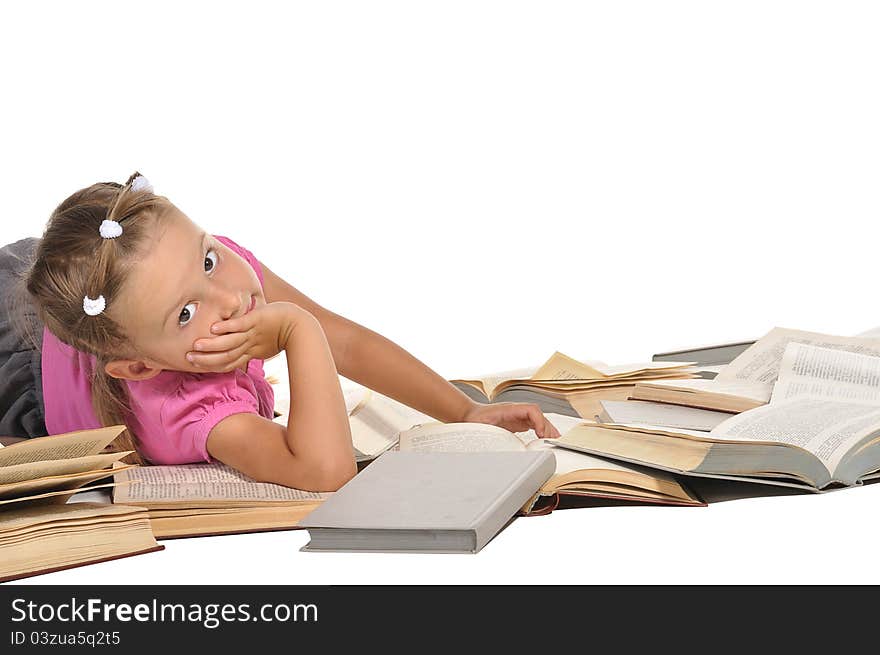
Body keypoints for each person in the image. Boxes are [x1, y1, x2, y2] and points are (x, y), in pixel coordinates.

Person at [0, 172, 560, 492]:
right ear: (141, 366)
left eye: (211, 259)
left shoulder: (200, 279)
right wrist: (296, 329)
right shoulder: (189, 411)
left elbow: (345, 340)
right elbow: (325, 472)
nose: (228, 299)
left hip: (67, 297)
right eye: (187, 315)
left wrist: (461, 412)